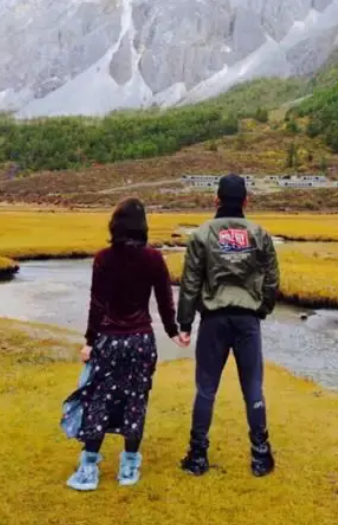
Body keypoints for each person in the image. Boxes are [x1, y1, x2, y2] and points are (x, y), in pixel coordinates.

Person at [67, 198, 188, 492]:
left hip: (108, 341)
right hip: (141, 341)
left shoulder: (103, 258)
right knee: (136, 400)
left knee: (98, 399)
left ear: (115, 225)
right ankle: (129, 465)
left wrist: (89, 342)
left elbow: (97, 304)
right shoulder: (153, 258)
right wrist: (175, 333)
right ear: (142, 226)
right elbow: (164, 301)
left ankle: (88, 468)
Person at [177, 173, 280, 477]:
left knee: (206, 389)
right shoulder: (259, 234)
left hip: (213, 320)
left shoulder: (201, 235)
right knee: (253, 387)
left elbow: (190, 283)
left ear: (216, 200)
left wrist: (184, 321)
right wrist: (262, 307)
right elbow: (272, 279)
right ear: (246, 201)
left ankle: (197, 456)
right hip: (248, 319)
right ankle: (261, 456)